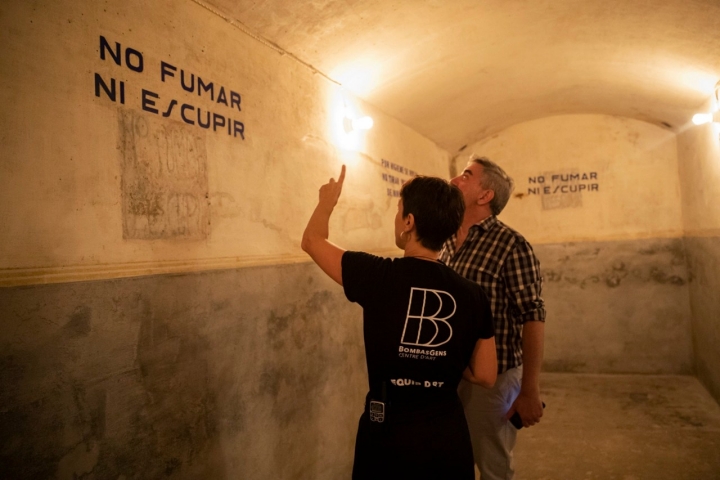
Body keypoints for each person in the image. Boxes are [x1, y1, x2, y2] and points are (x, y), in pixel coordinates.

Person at [301, 165, 497, 480]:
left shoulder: (376, 275)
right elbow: (487, 375)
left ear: (409, 222)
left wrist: (326, 203)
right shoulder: (473, 294)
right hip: (447, 436)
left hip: (389, 435)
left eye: (399, 210)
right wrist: (444, 357)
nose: (397, 218)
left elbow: (312, 240)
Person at [440, 156, 546, 480]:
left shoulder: (512, 245)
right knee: (449, 457)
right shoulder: (445, 239)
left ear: (485, 196)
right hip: (450, 373)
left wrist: (529, 390)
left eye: (466, 175)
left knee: (492, 466)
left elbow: (533, 316)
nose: (455, 180)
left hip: (493, 381)